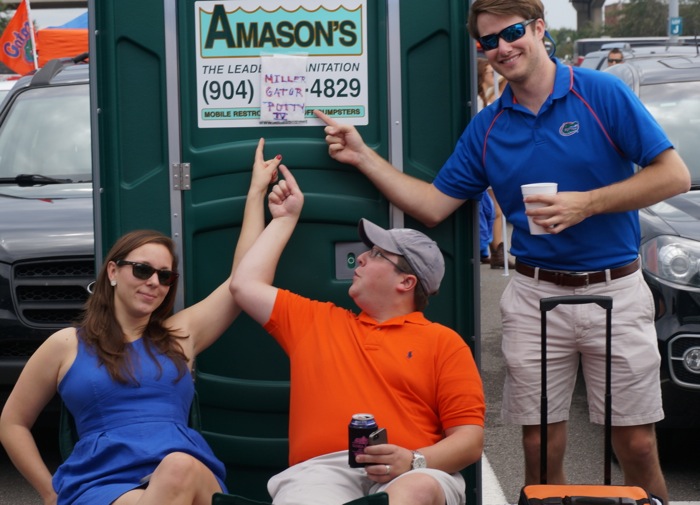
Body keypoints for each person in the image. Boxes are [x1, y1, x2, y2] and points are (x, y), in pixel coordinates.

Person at [313, 0, 692, 501]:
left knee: (637, 443)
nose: (501, 48)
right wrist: (363, 155)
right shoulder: (489, 126)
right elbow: (432, 205)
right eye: (487, 41)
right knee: (537, 442)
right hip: (535, 292)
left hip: (615, 288)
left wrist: (587, 205)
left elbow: (674, 175)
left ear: (538, 28)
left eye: (511, 32)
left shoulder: (601, 93)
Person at [0, 138, 281, 505]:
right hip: (102, 484)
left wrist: (256, 192)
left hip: (187, 477)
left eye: (165, 276)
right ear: (113, 271)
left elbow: (240, 281)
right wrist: (50, 493)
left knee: (179, 467)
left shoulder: (179, 335)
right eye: (143, 269)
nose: (154, 282)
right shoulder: (67, 344)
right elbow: (12, 423)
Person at [229, 165, 485, 505]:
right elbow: (244, 285)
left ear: (406, 282)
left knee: (416, 490)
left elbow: (469, 440)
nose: (360, 257)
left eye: (377, 254)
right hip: (321, 473)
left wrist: (414, 460)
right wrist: (284, 219)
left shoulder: (444, 342)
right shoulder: (316, 321)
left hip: (415, 468)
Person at [476, 58, 513, 268]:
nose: (494, 76)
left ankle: (496, 250)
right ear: (482, 75)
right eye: (490, 72)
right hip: (486, 156)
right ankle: (493, 249)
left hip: (489, 155)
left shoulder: (488, 97)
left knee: (494, 208)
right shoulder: (483, 101)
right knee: (493, 208)